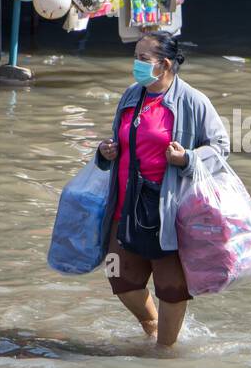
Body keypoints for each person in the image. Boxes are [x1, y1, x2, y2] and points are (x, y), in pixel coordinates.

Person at [95, 33, 229, 347]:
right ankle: (151, 324)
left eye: (143, 58)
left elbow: (221, 148)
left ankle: (165, 352)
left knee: (171, 287)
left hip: (169, 211)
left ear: (164, 64)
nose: (136, 64)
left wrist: (188, 159)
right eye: (136, 57)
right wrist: (104, 152)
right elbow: (121, 142)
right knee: (120, 277)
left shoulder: (193, 101)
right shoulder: (131, 95)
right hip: (125, 208)